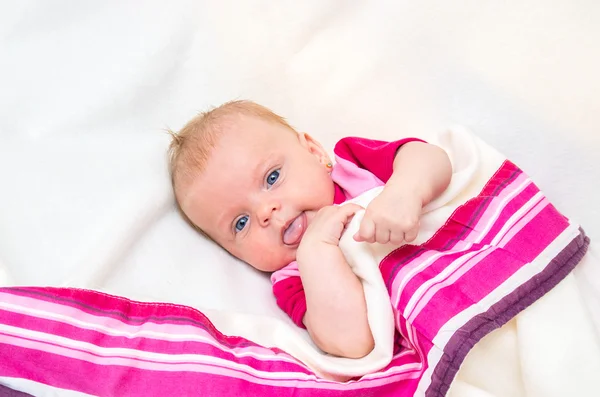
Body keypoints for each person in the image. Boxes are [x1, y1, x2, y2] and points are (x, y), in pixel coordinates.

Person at [168, 100, 452, 359]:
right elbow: (352, 342)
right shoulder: (295, 280)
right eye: (241, 223)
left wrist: (406, 190)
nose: (266, 212)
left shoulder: (355, 167)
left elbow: (433, 158)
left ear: (315, 153)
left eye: (272, 177)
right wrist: (317, 251)